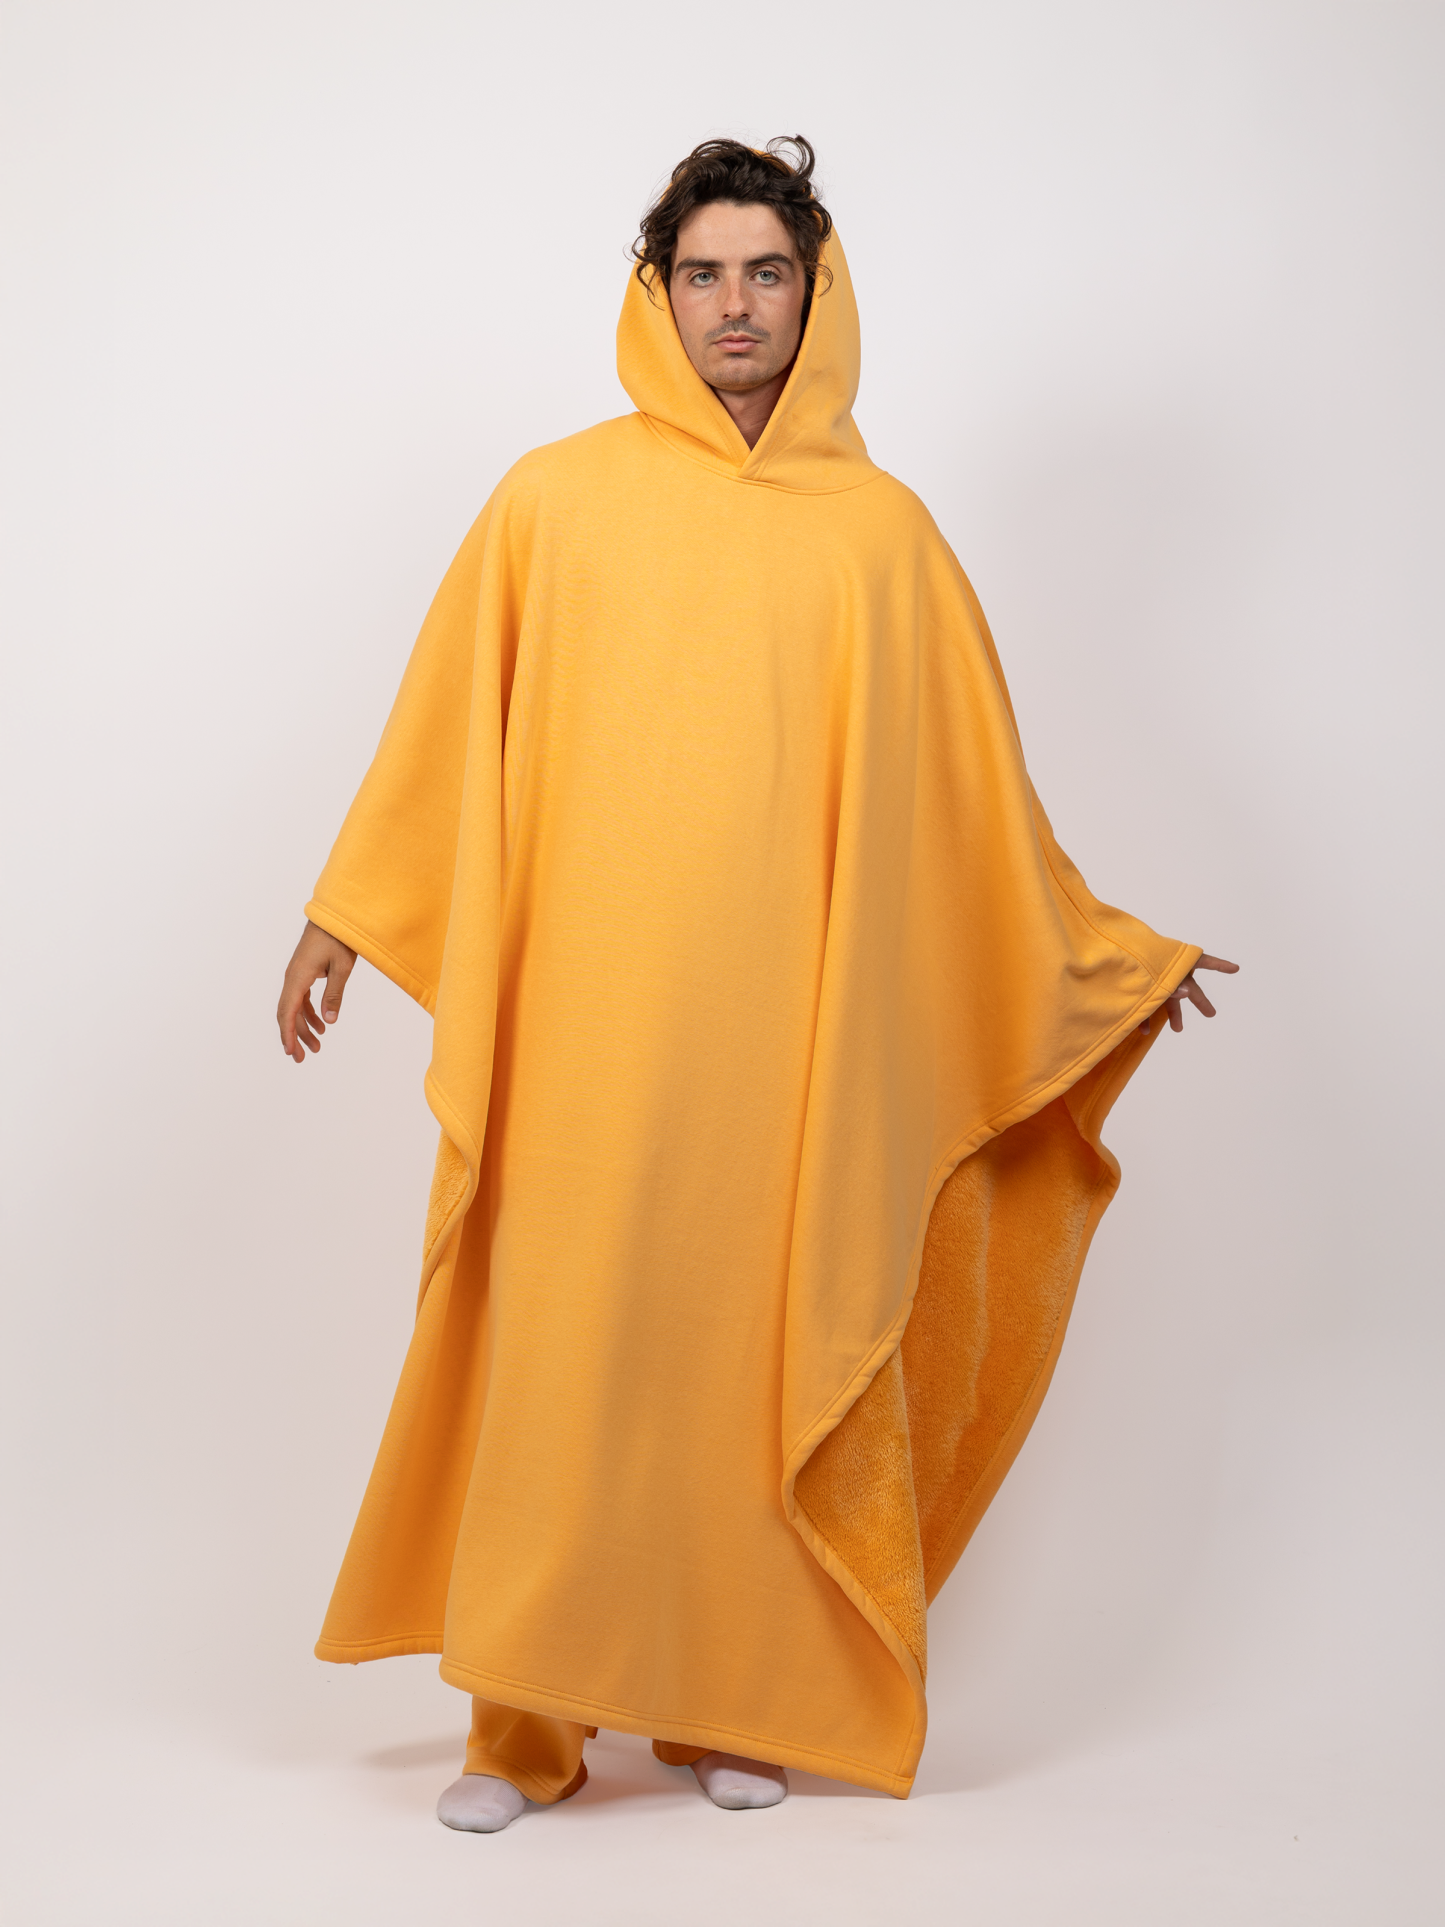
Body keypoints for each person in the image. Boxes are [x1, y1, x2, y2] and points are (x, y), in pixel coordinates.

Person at [277, 136, 1236, 1833]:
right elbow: (444, 725)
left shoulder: (883, 540)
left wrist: (1102, 966)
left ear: (815, 291)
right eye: (704, 273)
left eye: (766, 273)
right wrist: (346, 916)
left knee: (752, 1349)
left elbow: (974, 803)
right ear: (659, 293)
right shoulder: (554, 502)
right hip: (584, 1024)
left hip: (784, 1035)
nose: (736, 305)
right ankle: (522, 1726)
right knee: (566, 1353)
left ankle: (737, 1698)